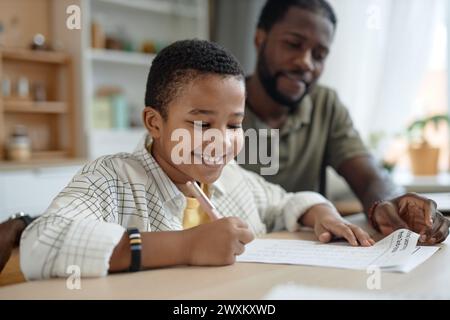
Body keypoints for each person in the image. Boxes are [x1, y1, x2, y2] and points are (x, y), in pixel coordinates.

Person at [19, 40, 374, 280]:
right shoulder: (112, 178)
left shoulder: (232, 178)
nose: (222, 140)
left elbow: (287, 202)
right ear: (154, 123)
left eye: (234, 124)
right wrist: (186, 246)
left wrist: (324, 216)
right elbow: (41, 243)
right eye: (202, 123)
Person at [241, 0, 449, 243]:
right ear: (259, 38)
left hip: (304, 255)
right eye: (293, 44)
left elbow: (369, 178)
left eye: (319, 55)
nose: (305, 62)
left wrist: (389, 203)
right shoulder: (219, 108)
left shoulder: (325, 105)